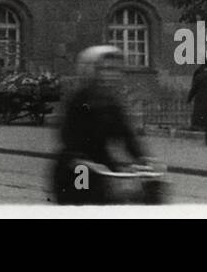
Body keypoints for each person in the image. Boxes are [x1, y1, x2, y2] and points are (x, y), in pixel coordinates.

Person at [53, 46, 149, 204]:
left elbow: (126, 135)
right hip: (77, 167)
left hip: (103, 166)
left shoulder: (113, 103)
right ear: (90, 71)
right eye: (105, 69)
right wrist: (82, 159)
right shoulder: (79, 101)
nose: (111, 74)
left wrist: (143, 159)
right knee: (82, 200)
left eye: (116, 69)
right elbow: (68, 136)